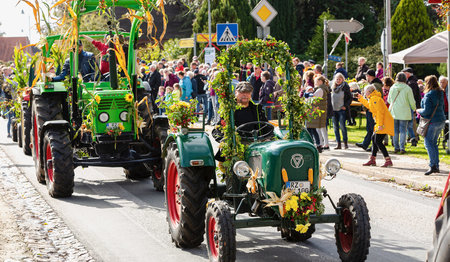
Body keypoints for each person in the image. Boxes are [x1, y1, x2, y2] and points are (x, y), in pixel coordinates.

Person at [213, 81, 268, 161]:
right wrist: (226, 141)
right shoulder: (229, 110)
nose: (245, 95)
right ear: (236, 92)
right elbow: (218, 129)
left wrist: (267, 138)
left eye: (247, 92)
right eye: (242, 92)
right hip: (236, 147)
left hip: (256, 145)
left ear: (251, 94)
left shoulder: (257, 109)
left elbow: (266, 126)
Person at [358, 85, 394, 167]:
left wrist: (380, 125)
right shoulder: (372, 98)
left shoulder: (375, 99)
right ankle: (373, 159)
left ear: (369, 92)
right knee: (374, 138)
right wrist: (361, 99)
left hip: (383, 123)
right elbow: (369, 106)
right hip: (381, 122)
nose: (364, 93)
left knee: (377, 141)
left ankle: (387, 160)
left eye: (365, 92)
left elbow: (380, 112)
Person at [417, 75, 446, 175]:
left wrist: (418, 110)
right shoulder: (440, 93)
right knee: (433, 144)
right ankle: (436, 165)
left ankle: (433, 165)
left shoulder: (429, 95)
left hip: (432, 121)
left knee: (428, 143)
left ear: (428, 83)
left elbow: (427, 111)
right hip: (441, 120)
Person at [387, 72, 416, 154]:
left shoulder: (392, 87)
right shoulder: (407, 88)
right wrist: (414, 108)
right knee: (403, 130)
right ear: (405, 79)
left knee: (395, 131)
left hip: (394, 111)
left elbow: (389, 100)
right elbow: (411, 101)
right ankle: (402, 147)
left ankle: (396, 147)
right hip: (404, 111)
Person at [308, 75, 329, 152]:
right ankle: (322, 144)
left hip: (318, 111)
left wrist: (308, 97)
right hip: (320, 110)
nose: (315, 83)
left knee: (317, 129)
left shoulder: (320, 90)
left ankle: (320, 144)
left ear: (320, 81)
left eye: (316, 81)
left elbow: (313, 99)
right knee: (320, 129)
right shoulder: (321, 89)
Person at [331, 73, 352, 149]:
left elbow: (350, 98)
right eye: (337, 79)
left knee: (342, 127)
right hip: (334, 110)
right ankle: (338, 144)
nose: (338, 80)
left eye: (339, 79)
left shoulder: (345, 87)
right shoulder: (333, 88)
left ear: (342, 79)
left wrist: (345, 106)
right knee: (335, 127)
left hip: (341, 110)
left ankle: (345, 143)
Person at [402, 67, 421, 146]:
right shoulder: (411, 81)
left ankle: (414, 138)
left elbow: (412, 95)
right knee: (410, 123)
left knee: (411, 123)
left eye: (404, 73)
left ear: (408, 73)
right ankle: (412, 137)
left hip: (411, 105)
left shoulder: (411, 82)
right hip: (412, 105)